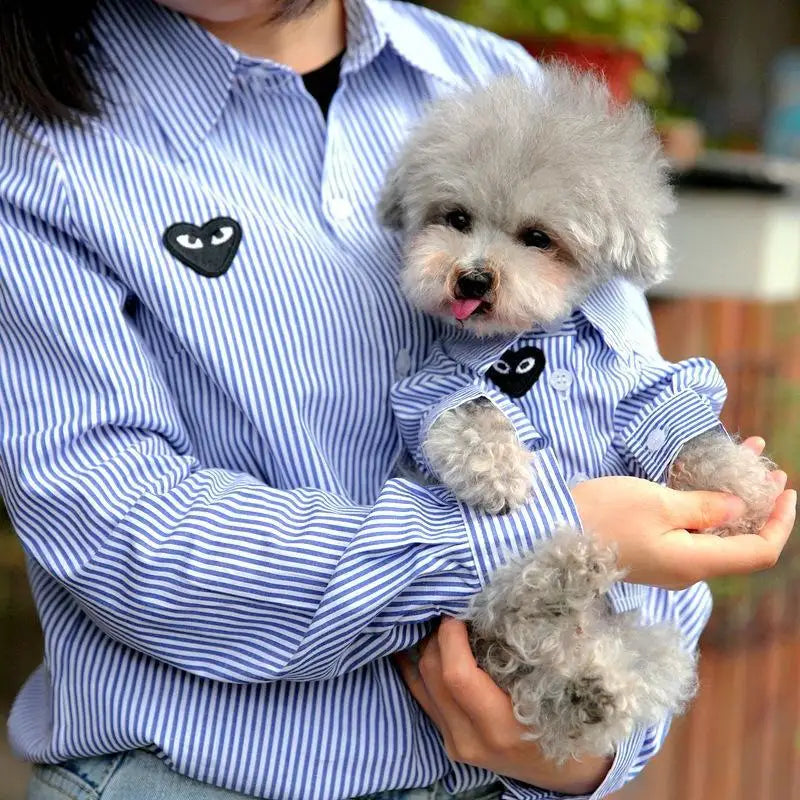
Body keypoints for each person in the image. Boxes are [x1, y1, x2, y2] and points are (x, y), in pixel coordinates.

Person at [0, 1, 794, 799]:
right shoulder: (42, 149)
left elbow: (624, 416)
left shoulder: (500, 79)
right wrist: (538, 536)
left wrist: (586, 749)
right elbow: (121, 531)